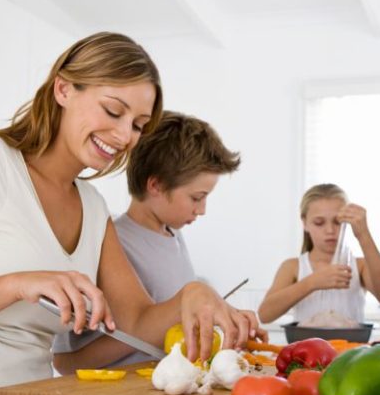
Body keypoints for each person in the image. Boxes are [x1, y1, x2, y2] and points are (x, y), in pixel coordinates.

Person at [0, 32, 260, 395]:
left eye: (138, 124)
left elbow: (136, 322)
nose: (125, 136)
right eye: (112, 111)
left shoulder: (92, 209)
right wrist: (13, 285)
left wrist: (194, 295)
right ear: (63, 89)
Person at [53, 110, 243, 368]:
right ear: (155, 186)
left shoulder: (173, 237)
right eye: (196, 198)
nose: (202, 210)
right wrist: (154, 330)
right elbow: (66, 362)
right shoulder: (112, 242)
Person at [257, 184, 380, 324]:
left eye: (337, 222)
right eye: (319, 223)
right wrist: (312, 282)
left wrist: (363, 234)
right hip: (306, 346)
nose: (330, 230)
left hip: (353, 345)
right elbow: (265, 315)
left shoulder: (360, 265)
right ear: (304, 223)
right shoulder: (292, 266)